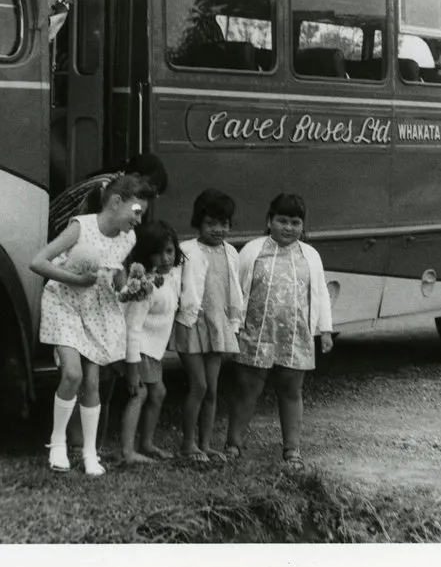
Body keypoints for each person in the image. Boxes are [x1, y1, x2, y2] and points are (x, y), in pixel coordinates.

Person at [30, 174, 156, 475]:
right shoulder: (81, 227)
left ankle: (89, 454)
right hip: (64, 303)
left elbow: (116, 278)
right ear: (115, 202)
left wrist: (130, 290)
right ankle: (57, 443)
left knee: (92, 382)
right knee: (71, 374)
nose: (139, 221)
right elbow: (38, 262)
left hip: (96, 309)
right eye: (137, 212)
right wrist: (77, 280)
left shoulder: (129, 238)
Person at [225, 193, 334, 471]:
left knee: (291, 390)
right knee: (247, 389)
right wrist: (234, 326)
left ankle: (292, 450)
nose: (288, 227)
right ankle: (233, 445)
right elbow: (236, 291)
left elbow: (320, 293)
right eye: (282, 221)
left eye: (295, 222)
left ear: (302, 226)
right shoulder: (252, 250)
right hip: (256, 332)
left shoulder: (310, 255)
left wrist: (326, 331)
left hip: (295, 335)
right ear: (269, 221)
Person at [173, 189, 244, 463]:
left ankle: (205, 444)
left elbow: (233, 290)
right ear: (199, 222)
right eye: (211, 223)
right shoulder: (187, 250)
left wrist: (235, 322)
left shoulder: (231, 252)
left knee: (212, 389)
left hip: (218, 324)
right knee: (199, 385)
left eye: (224, 224)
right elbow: (176, 285)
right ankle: (188, 444)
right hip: (191, 323)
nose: (219, 229)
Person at [119, 220, 185, 463]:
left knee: (157, 394)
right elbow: (132, 328)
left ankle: (146, 444)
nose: (166, 258)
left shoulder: (169, 278)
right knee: (141, 394)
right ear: (146, 254)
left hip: (152, 351)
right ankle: (128, 451)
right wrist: (132, 367)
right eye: (158, 253)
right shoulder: (145, 286)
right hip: (140, 350)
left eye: (169, 251)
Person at [49, 153, 169, 240]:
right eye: (149, 186)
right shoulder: (106, 186)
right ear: (136, 177)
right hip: (55, 235)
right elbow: (84, 227)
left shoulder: (114, 184)